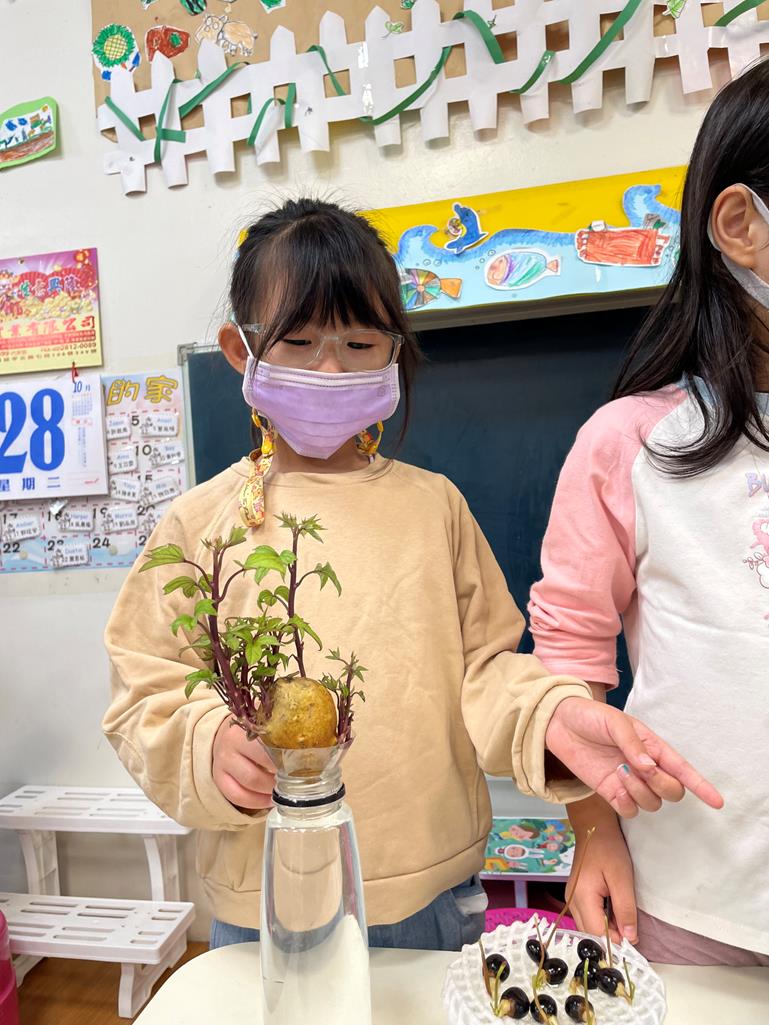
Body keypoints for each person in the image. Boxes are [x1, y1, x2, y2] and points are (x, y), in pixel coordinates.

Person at [103, 198, 719, 952]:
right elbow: (144, 688)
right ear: (241, 349)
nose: (331, 368)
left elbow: (486, 671)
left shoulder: (435, 508)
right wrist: (205, 744)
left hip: (431, 894)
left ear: (394, 352)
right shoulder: (198, 523)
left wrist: (550, 714)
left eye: (360, 343)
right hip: (266, 892)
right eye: (298, 342)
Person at [530, 62, 769, 966]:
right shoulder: (629, 443)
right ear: (741, 225)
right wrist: (593, 829)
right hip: (693, 904)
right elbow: (567, 657)